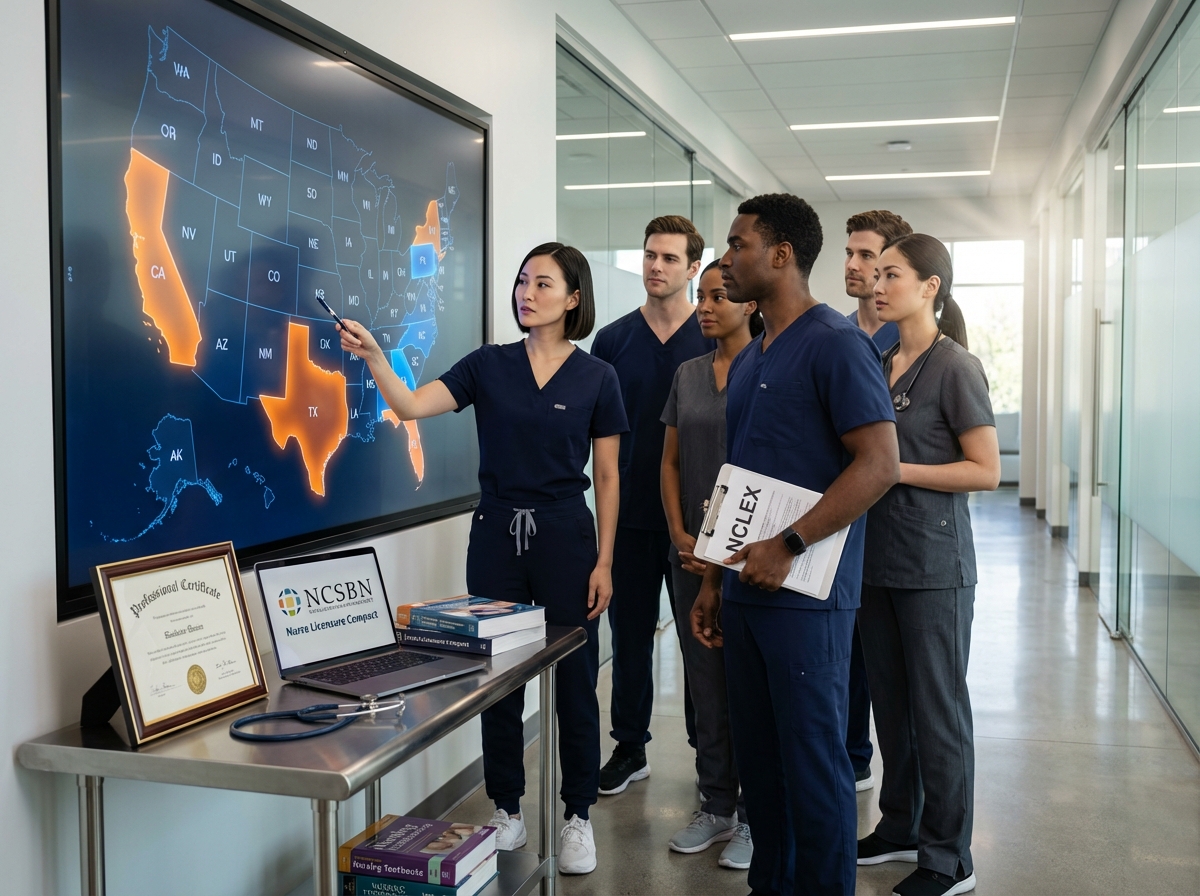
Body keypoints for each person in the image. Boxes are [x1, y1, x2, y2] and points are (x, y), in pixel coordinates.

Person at [338, 243, 628, 876]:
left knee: (576, 685)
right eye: (522, 281)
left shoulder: (597, 377)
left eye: (542, 283)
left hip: (566, 538)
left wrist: (605, 561)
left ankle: (577, 814)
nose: (526, 292)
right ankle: (507, 810)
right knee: (496, 681)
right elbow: (411, 406)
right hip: (496, 535)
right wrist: (377, 360)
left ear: (573, 298)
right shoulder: (488, 366)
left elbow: (607, 478)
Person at [692, 194, 900, 896]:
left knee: (813, 768)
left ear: (780, 255)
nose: (726, 260)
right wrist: (713, 582)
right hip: (746, 598)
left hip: (808, 601)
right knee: (764, 771)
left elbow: (878, 464)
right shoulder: (751, 359)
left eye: (737, 244)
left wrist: (790, 542)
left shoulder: (838, 344)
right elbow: (738, 478)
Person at [855, 234, 999, 896]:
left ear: (930, 287)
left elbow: (985, 471)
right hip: (876, 563)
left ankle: (950, 857)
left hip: (933, 566)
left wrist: (894, 470)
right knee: (892, 705)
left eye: (890, 274)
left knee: (938, 711)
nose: (875, 284)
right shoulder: (881, 356)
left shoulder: (954, 367)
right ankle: (901, 824)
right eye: (874, 273)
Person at [591, 215, 712, 796]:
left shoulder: (713, 334)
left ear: (693, 267)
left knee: (700, 639)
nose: (655, 267)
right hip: (634, 514)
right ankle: (629, 746)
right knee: (631, 636)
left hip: (698, 521)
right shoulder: (613, 341)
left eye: (669, 258)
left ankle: (707, 753)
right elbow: (600, 441)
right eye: (649, 256)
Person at [660, 261, 762, 870]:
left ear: (749, 303)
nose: (705, 306)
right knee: (704, 687)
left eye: (719, 296)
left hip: (748, 561)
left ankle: (753, 815)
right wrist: (678, 532)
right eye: (701, 296)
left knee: (748, 686)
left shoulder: (768, 369)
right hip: (690, 556)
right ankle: (717, 804)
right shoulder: (687, 374)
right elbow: (669, 462)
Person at [843, 209, 913, 793]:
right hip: (835, 515)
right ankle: (849, 751)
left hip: (895, 525)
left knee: (879, 657)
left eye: (869, 256)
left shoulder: (907, 340)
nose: (855, 265)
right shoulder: (837, 334)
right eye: (851, 253)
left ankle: (867, 762)